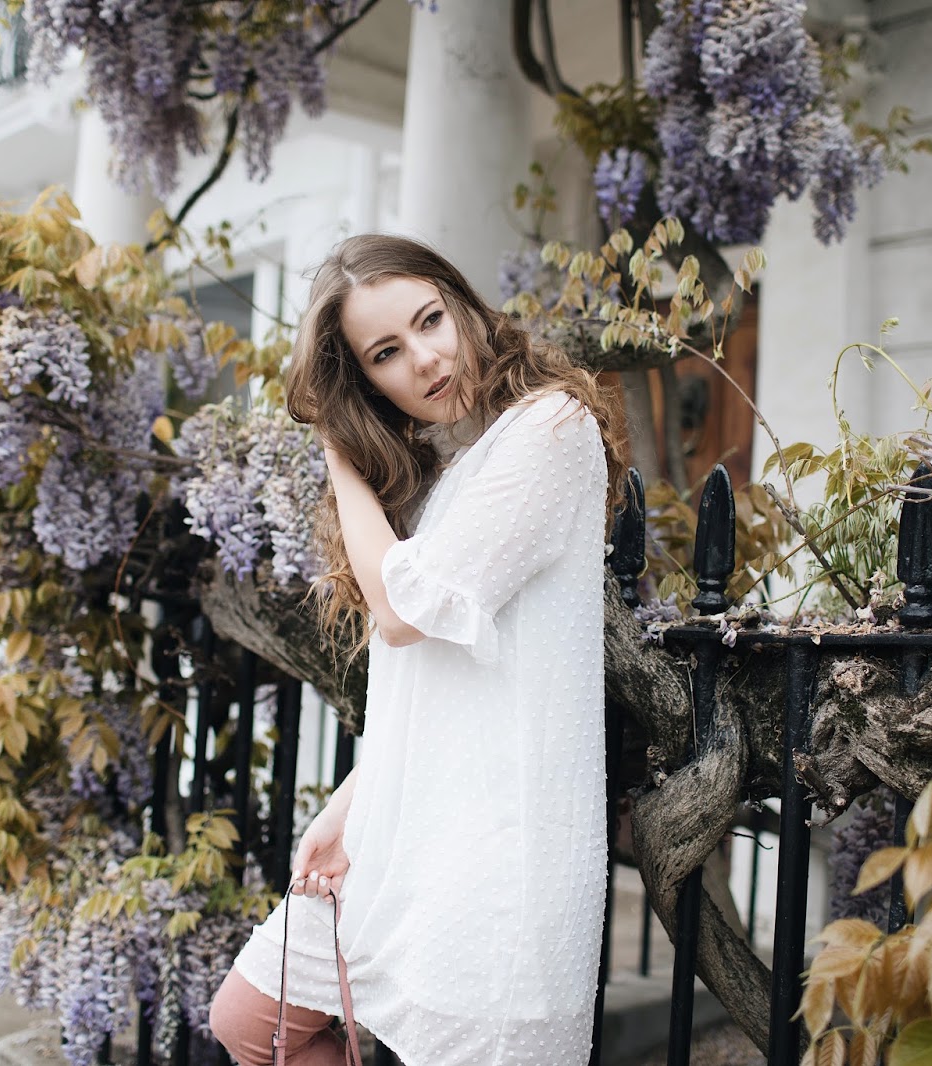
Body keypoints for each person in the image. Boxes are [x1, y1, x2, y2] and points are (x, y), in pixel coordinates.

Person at [208, 234, 628, 1065]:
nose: (426, 359)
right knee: (251, 1023)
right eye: (386, 353)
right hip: (410, 827)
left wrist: (337, 454)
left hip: (500, 843)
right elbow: (438, 683)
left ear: (462, 304)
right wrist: (349, 806)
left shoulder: (551, 427)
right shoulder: (449, 474)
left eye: (431, 320)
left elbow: (401, 614)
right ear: (366, 382)